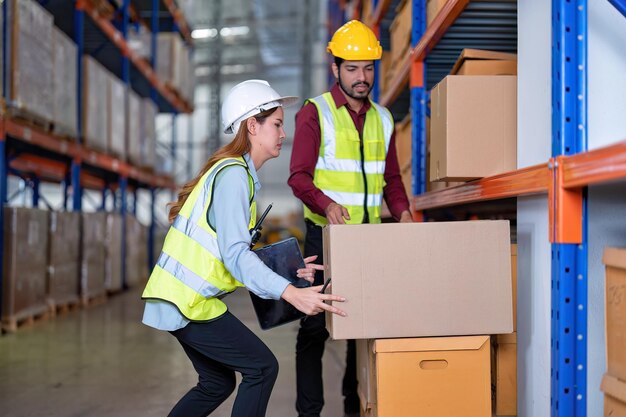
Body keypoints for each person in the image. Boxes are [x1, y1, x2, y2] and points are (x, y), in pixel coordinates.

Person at [141, 79, 347, 417]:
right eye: (277, 124)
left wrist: (288, 271)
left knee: (217, 383)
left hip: (183, 297)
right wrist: (291, 293)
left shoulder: (241, 176)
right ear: (253, 125)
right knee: (262, 368)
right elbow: (235, 257)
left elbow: (228, 252)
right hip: (188, 301)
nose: (283, 133)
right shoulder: (234, 176)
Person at [288, 21, 413, 417]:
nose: (363, 78)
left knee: (361, 328)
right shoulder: (315, 113)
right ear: (336, 68)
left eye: (369, 68)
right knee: (313, 329)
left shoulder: (384, 118)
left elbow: (391, 179)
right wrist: (326, 204)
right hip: (322, 239)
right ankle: (309, 412)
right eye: (353, 68)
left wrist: (406, 214)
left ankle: (354, 408)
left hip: (369, 241)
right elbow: (298, 176)